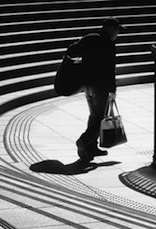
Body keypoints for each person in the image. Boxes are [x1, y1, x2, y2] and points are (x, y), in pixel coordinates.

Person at [65, 17, 123, 161]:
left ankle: (92, 147)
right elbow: (110, 70)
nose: (117, 34)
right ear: (109, 29)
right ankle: (84, 141)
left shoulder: (90, 39)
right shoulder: (108, 44)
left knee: (94, 116)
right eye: (116, 30)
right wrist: (113, 90)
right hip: (101, 87)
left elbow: (71, 50)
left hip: (88, 86)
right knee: (100, 118)